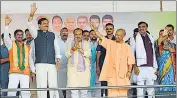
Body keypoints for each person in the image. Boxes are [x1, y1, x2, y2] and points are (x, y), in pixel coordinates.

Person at [91, 23, 135, 97]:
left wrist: (129, 72)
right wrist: (95, 30)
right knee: (112, 93)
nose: (117, 36)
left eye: (119, 35)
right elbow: (101, 37)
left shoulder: (127, 46)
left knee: (122, 93)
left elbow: (130, 61)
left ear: (123, 36)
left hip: (123, 74)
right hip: (112, 73)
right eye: (116, 34)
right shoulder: (110, 43)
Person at [27, 3, 61, 98]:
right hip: (40, 63)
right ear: (39, 25)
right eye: (44, 24)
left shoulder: (52, 34)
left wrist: (58, 59)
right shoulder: (36, 34)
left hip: (51, 63)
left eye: (47, 23)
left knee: (53, 85)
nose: (46, 25)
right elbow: (29, 24)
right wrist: (31, 14)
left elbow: (56, 47)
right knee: (41, 85)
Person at [4, 15, 35, 98]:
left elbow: (30, 59)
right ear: (15, 36)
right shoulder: (11, 45)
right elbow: (6, 38)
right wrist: (6, 25)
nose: (20, 36)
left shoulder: (28, 46)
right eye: (18, 35)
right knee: (11, 92)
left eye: (21, 34)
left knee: (25, 93)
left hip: (25, 73)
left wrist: (33, 71)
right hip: (13, 73)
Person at [130, 21, 158, 98]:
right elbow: (131, 54)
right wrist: (134, 67)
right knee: (140, 90)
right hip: (139, 68)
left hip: (150, 67)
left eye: (143, 27)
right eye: (139, 27)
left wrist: (155, 67)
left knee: (151, 90)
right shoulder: (134, 38)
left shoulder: (151, 37)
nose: (141, 28)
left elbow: (154, 53)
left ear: (146, 28)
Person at [65, 28, 91, 98]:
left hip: (84, 72)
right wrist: (73, 48)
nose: (78, 36)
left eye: (79, 34)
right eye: (76, 34)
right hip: (73, 72)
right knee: (74, 92)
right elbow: (67, 54)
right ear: (73, 35)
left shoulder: (86, 43)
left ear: (82, 35)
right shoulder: (69, 43)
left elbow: (88, 54)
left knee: (84, 93)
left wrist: (79, 48)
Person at [96, 23, 115, 97]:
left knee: (113, 84)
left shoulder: (117, 39)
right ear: (105, 30)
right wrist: (97, 66)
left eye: (110, 29)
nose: (109, 30)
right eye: (107, 29)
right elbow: (98, 54)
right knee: (104, 84)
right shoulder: (101, 40)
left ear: (113, 30)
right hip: (103, 64)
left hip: (114, 65)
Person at [57, 27, 71, 98]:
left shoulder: (71, 41)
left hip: (70, 68)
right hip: (59, 67)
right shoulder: (56, 41)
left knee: (69, 85)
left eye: (66, 32)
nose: (64, 33)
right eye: (63, 32)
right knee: (59, 85)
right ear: (60, 33)